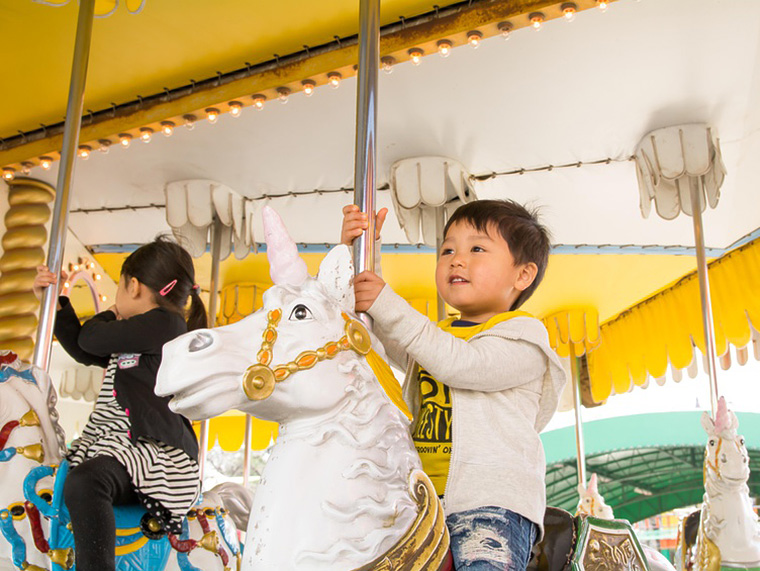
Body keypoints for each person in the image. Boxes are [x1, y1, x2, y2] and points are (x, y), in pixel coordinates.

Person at [341, 199, 567, 571]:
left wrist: (387, 300)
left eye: (477, 249)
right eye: (447, 250)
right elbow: (378, 332)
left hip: (491, 505)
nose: (456, 259)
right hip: (421, 503)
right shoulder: (437, 337)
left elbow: (460, 364)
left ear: (522, 275)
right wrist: (364, 252)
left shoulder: (525, 339)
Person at [33, 236, 205, 571]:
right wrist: (57, 307)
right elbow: (85, 350)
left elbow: (91, 338)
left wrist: (109, 314)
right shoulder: (140, 334)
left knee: (86, 481)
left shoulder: (166, 325)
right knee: (64, 477)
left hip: (154, 452)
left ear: (135, 287)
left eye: (120, 289)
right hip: (122, 446)